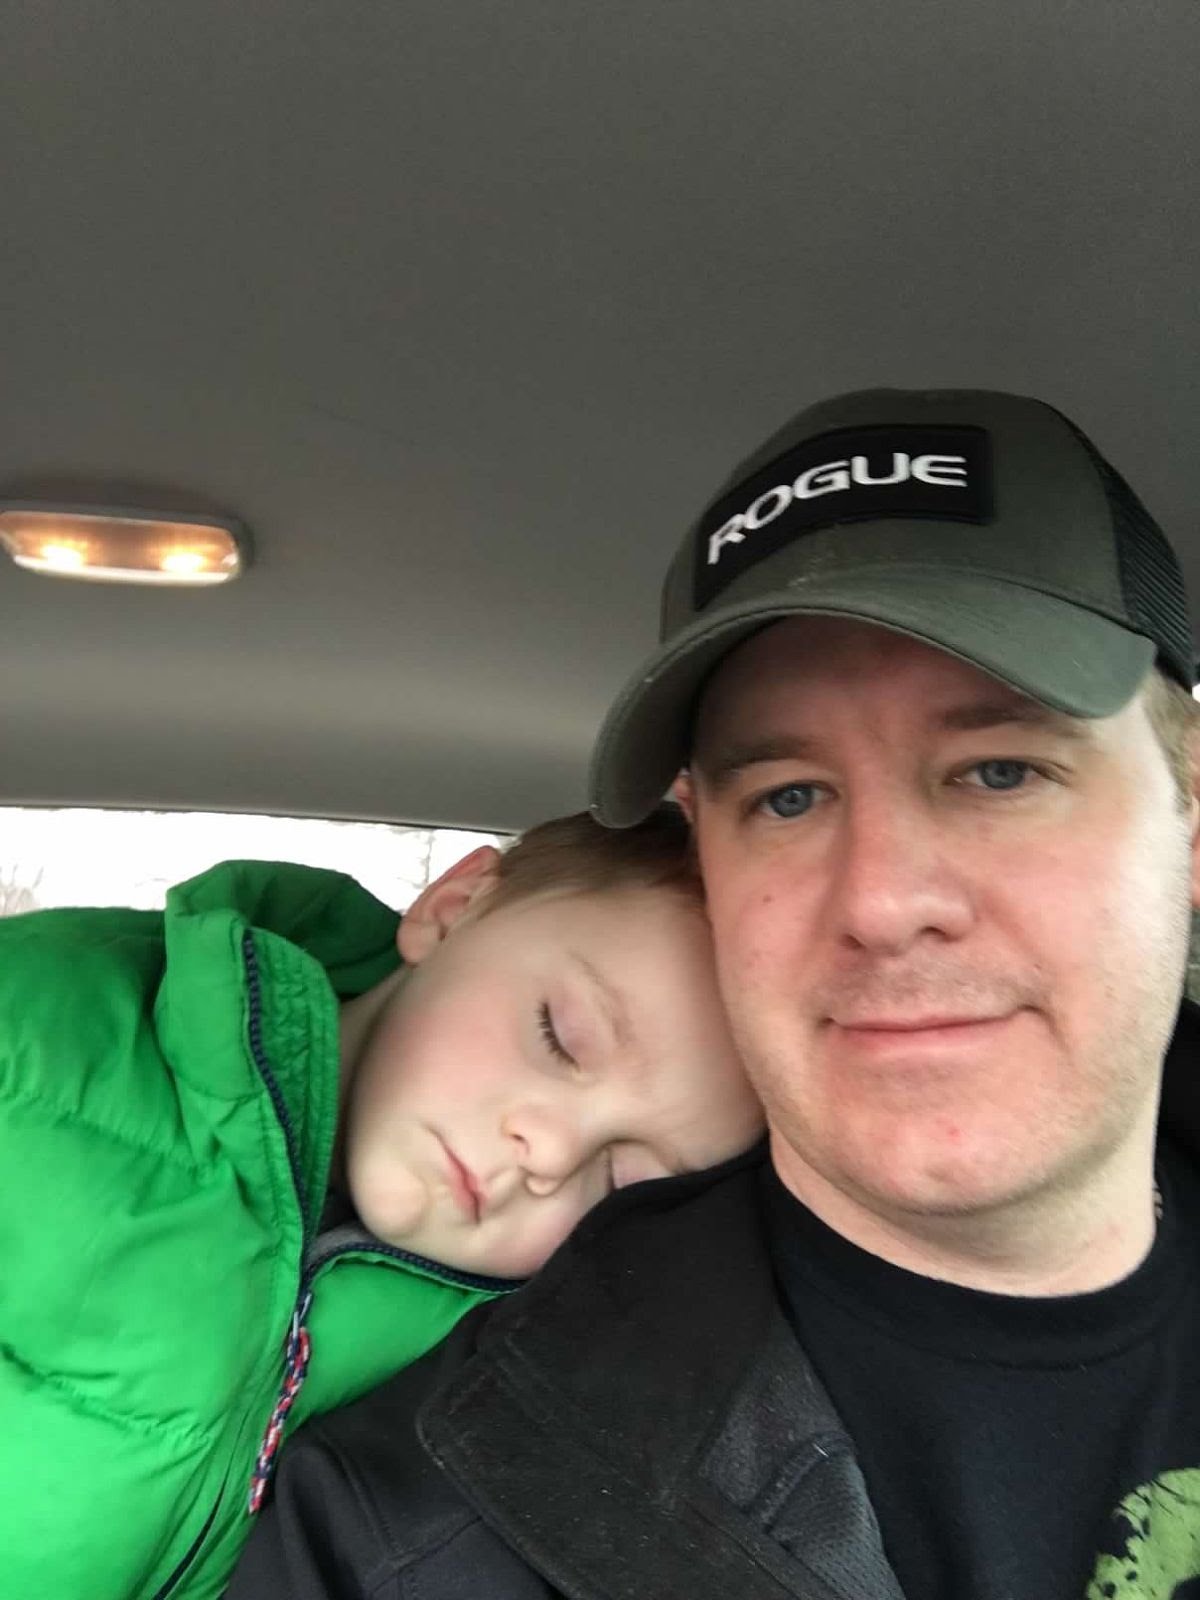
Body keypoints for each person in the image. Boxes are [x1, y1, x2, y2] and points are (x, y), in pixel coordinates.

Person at [228, 386, 1200, 1600]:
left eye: (999, 770)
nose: (882, 899)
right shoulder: (400, 1534)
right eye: (788, 797)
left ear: (1189, 816)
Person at [0, 807, 763, 1600]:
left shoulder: (506, 1360)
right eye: (559, 1034)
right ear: (452, 909)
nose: (552, 1152)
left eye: (624, 1180)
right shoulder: (32, 1046)